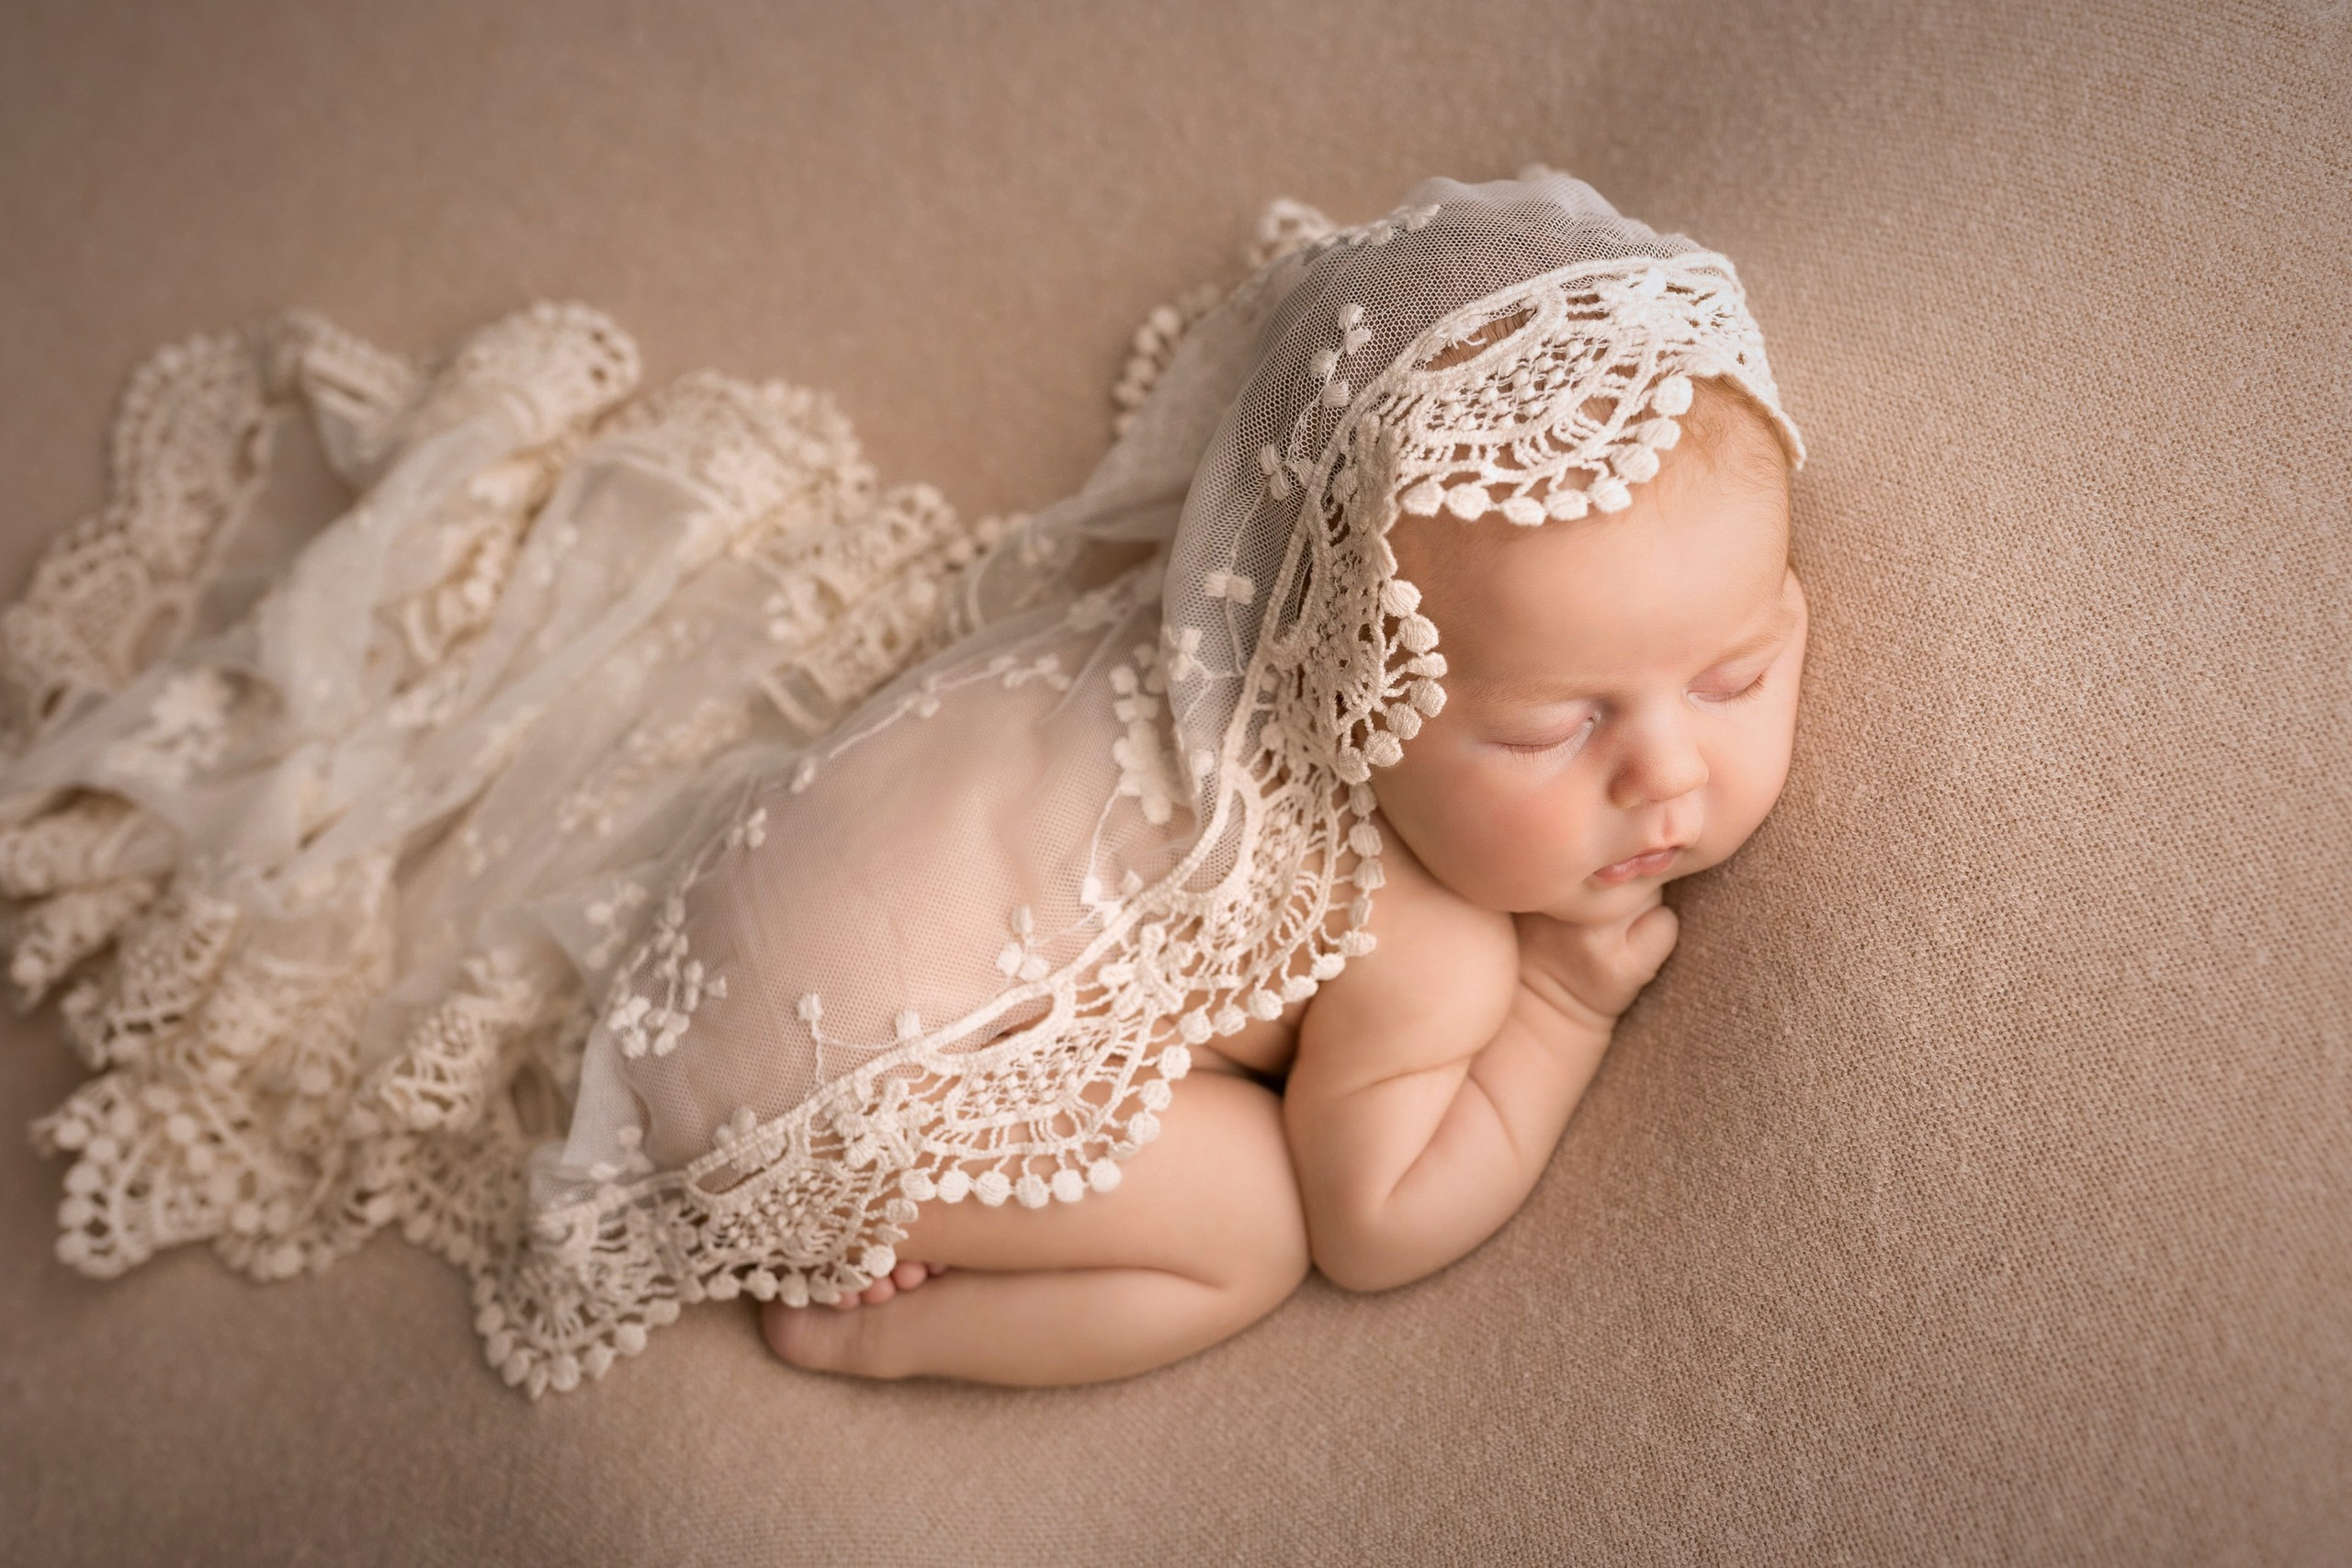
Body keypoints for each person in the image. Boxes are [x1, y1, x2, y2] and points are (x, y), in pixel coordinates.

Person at [2, 169, 1804, 1396]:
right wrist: (1560, 999)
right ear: (1357, 693)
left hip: (759, 892)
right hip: (829, 1084)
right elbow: (1381, 1218)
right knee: (1251, 1228)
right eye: (1548, 727)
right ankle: (872, 1335)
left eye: (1736, 671)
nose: (1668, 769)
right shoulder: (1424, 941)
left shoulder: (1199, 614)